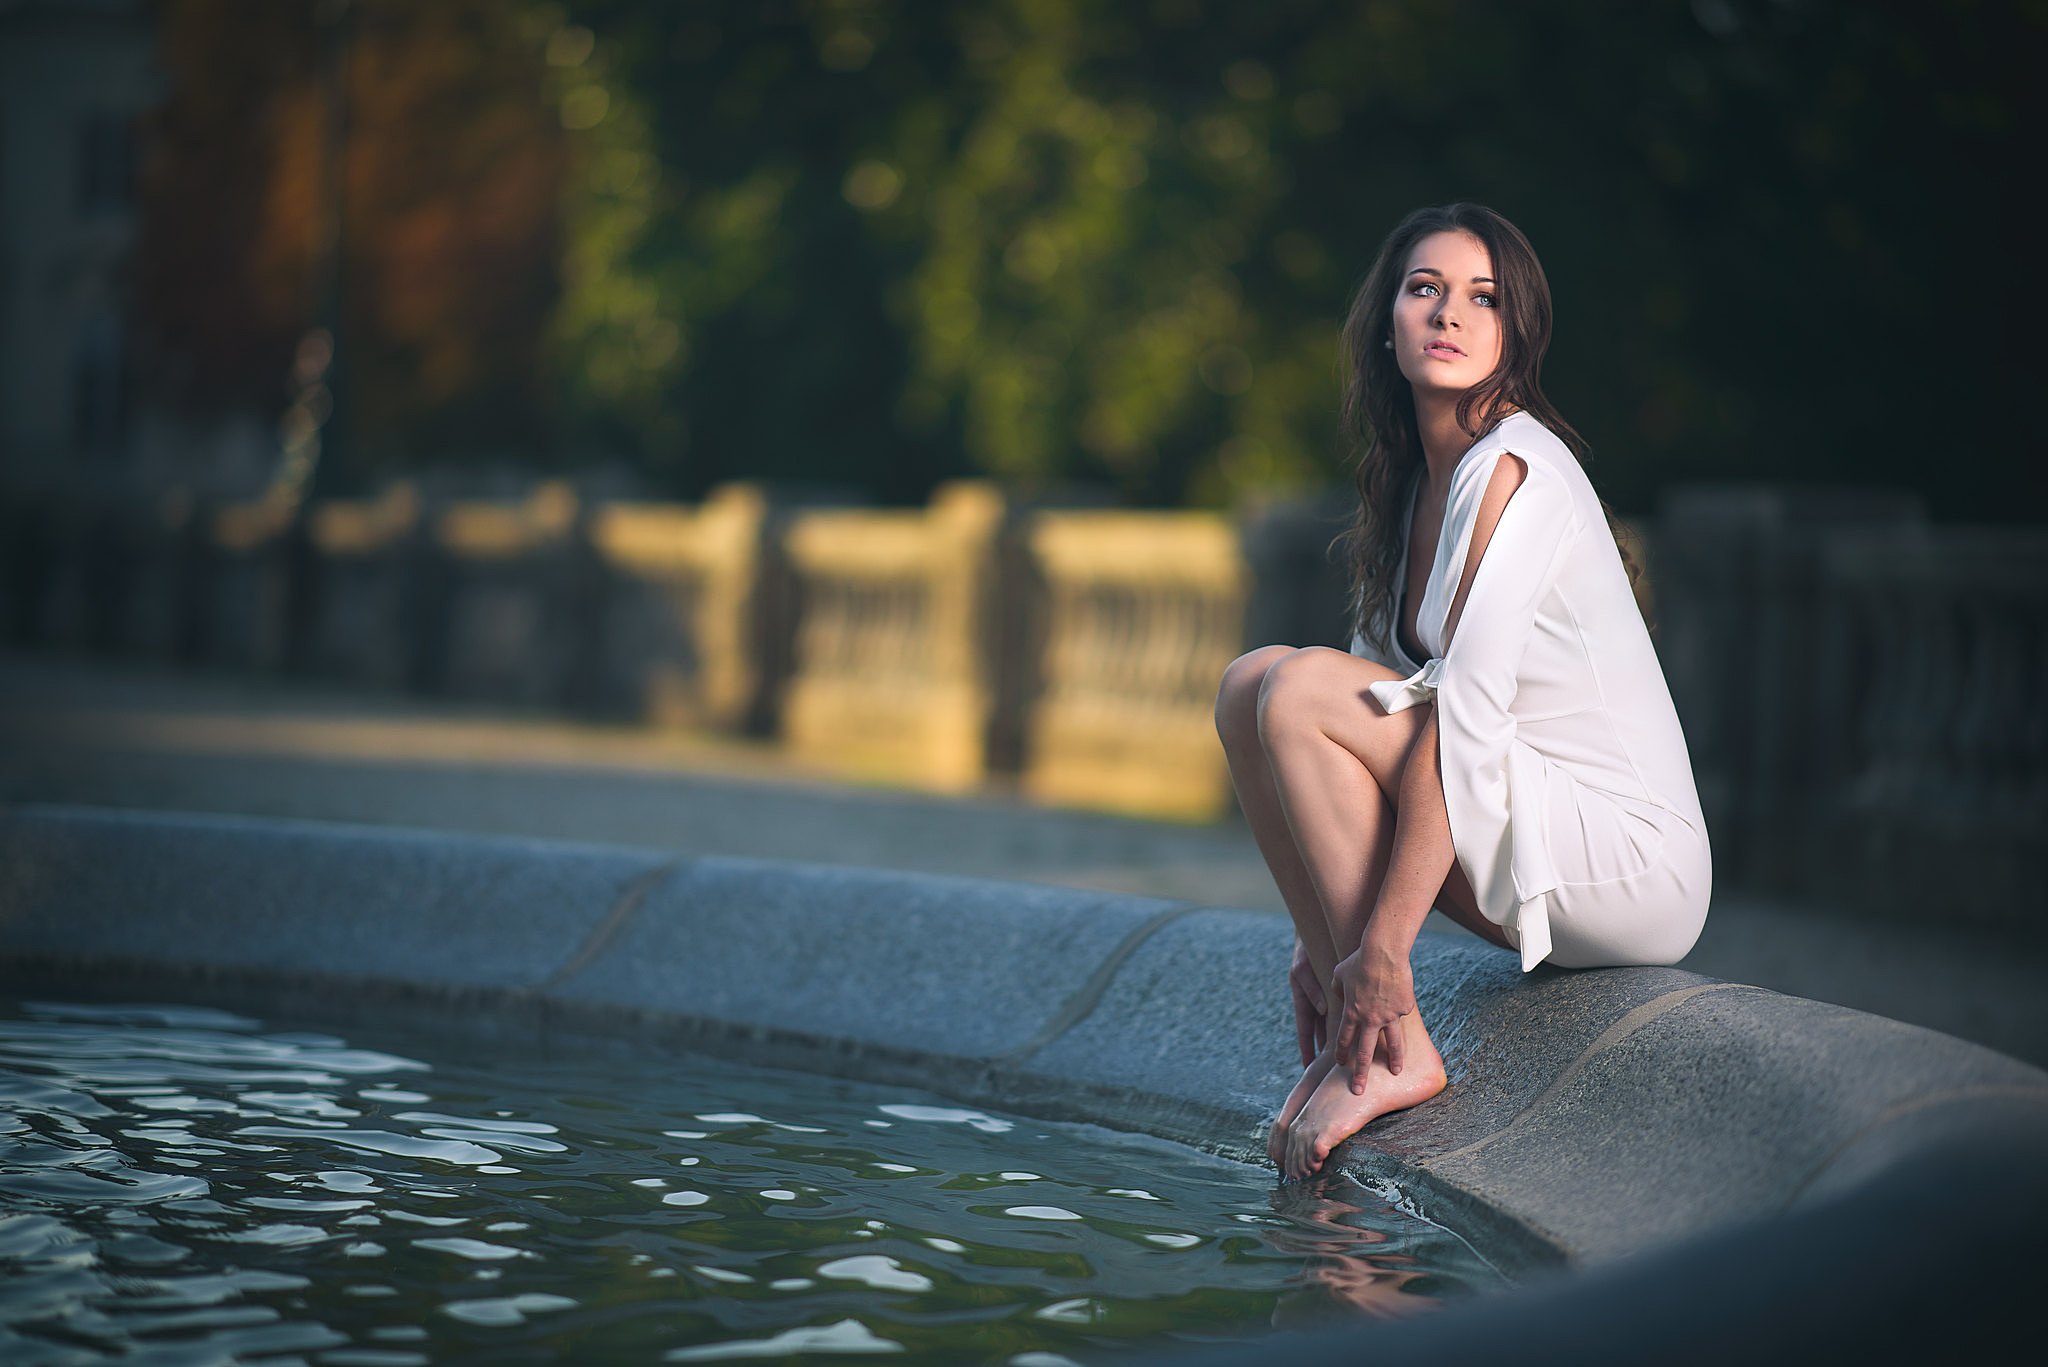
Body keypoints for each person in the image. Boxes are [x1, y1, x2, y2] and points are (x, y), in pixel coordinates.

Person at [1213, 203, 1712, 1181]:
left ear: (1514, 331)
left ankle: (1391, 1039)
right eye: (1423, 289)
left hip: (1627, 861)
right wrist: (1323, 941)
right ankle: (1351, 1045)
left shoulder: (1513, 470)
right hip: (1516, 817)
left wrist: (1382, 948)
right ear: (1386, 321)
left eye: (1480, 297)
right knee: (1247, 685)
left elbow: (1455, 721)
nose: (1448, 314)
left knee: (1297, 685)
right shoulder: (1409, 485)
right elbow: (1372, 715)